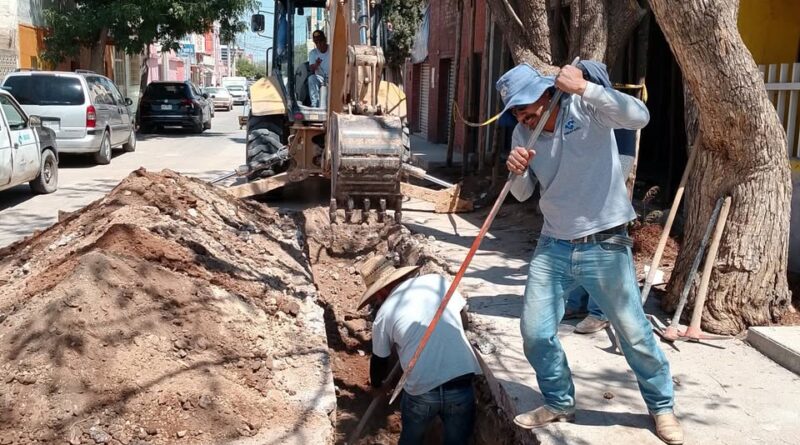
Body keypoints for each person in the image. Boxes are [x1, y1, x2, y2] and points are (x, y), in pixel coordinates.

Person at [498, 62, 683, 445]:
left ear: (547, 93)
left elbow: (640, 117)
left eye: (527, 104)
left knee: (634, 333)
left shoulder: (586, 109)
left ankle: (661, 407)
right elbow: (521, 194)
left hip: (605, 242)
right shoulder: (522, 133)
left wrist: (585, 88)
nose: (523, 114)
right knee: (535, 331)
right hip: (553, 244)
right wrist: (515, 170)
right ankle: (559, 400)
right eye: (516, 110)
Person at [358, 255, 481, 445]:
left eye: (375, 296)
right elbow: (462, 319)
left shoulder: (384, 315)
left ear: (380, 291)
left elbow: (380, 360)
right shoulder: (436, 282)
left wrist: (377, 386)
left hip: (422, 389)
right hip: (460, 379)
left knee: (411, 440)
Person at [307, 30, 330, 107]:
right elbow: (311, 69)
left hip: (332, 77)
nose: (319, 44)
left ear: (325, 40)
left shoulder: (332, 50)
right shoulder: (313, 53)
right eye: (316, 42)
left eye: (321, 41)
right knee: (311, 79)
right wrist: (316, 65)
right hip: (320, 78)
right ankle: (315, 104)